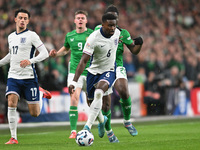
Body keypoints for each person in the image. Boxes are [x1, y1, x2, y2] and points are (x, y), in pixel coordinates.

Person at [94, 5, 143, 143]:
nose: (112, 20)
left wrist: (139, 44)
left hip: (117, 66)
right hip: (103, 67)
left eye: (114, 17)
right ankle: (109, 132)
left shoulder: (123, 33)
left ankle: (127, 121)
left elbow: (134, 50)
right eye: (109, 16)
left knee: (124, 91)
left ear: (117, 18)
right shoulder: (97, 30)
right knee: (106, 104)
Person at [0, 8, 49, 144]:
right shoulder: (10, 36)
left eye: (25, 18)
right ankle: (13, 137)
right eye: (20, 18)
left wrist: (30, 61)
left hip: (29, 77)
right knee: (11, 102)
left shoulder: (32, 35)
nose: (22, 20)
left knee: (35, 113)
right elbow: (12, 55)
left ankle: (40, 92)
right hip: (13, 76)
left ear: (28, 21)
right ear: (15, 19)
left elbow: (45, 53)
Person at [69, 13, 120, 138]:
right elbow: (83, 61)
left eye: (114, 25)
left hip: (109, 70)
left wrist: (136, 43)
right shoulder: (93, 38)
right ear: (102, 25)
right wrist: (74, 81)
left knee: (99, 93)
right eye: (110, 26)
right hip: (93, 72)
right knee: (91, 103)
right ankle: (102, 121)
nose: (113, 28)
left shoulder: (118, 33)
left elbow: (130, 42)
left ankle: (87, 127)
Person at [49, 10, 93, 139]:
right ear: (74, 21)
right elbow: (66, 49)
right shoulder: (70, 35)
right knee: (74, 98)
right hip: (74, 73)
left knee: (91, 102)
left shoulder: (92, 34)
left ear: (86, 21)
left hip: (90, 71)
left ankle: (97, 124)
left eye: (82, 18)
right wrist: (56, 53)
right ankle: (73, 131)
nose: (80, 20)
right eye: (78, 18)